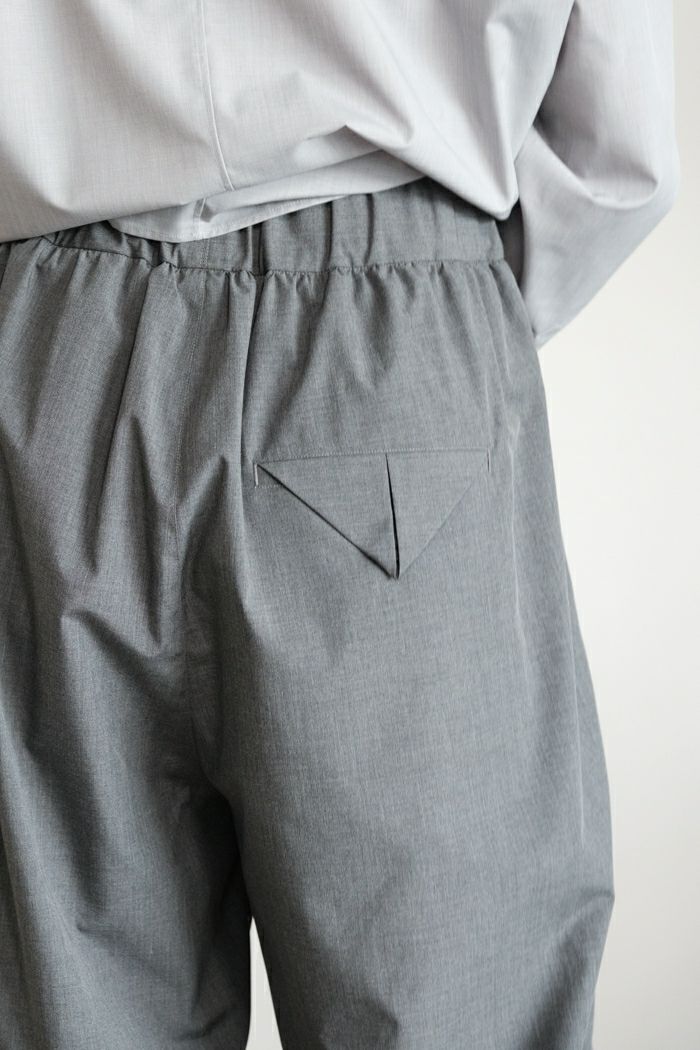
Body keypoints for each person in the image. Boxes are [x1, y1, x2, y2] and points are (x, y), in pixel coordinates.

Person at [0, 3, 679, 1049]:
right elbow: (616, 145)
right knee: (454, 1008)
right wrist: (449, 317)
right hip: (386, 332)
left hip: (53, 350)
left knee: (68, 1009)